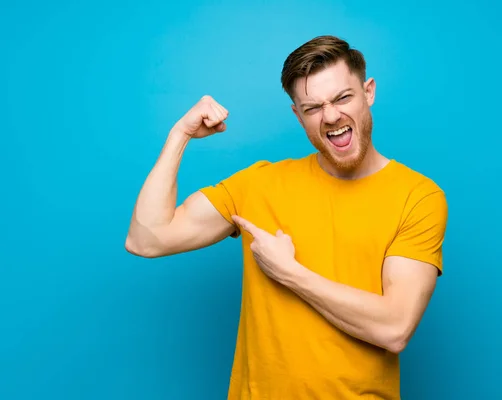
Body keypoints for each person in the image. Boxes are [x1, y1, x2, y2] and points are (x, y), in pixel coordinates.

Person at [125, 35, 448, 400]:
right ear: (297, 114)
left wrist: (290, 273)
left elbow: (395, 327)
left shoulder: (417, 197)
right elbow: (146, 238)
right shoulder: (260, 185)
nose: (331, 116)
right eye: (312, 108)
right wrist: (179, 134)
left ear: (368, 92)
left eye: (343, 98)